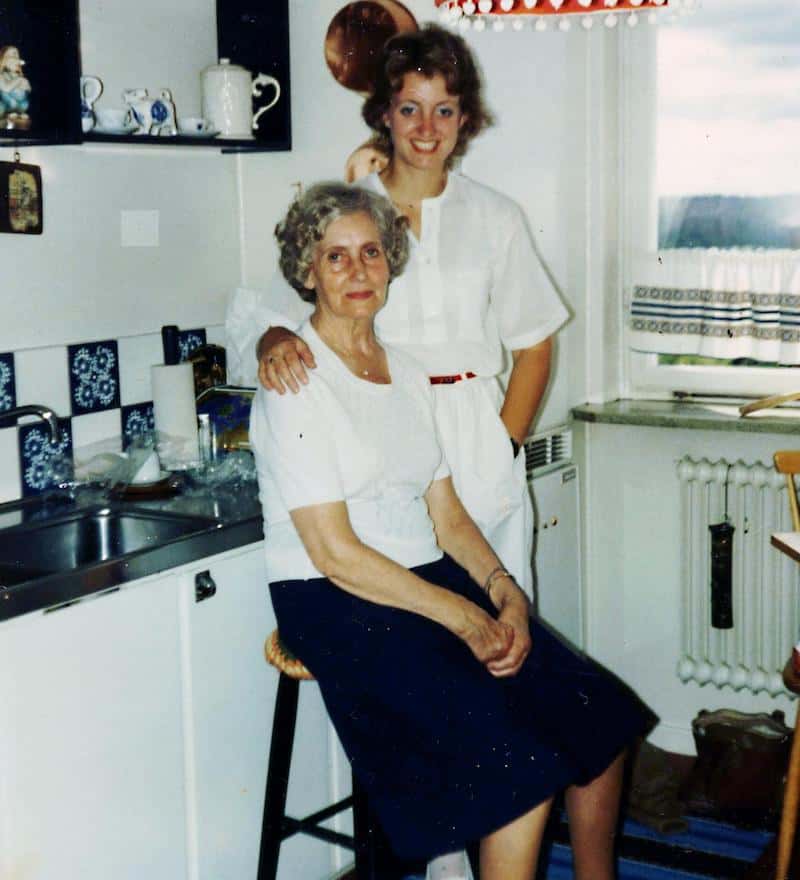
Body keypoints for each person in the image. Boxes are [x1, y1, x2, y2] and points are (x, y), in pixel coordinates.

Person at [250, 181, 649, 880]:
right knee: (519, 768)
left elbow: (449, 514)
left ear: (390, 261)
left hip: (420, 578)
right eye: (335, 257)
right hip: (335, 598)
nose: (357, 270)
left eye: (371, 252)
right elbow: (336, 554)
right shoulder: (296, 380)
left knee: (601, 718)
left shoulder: (404, 371)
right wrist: (465, 618)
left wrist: (504, 591)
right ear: (306, 271)